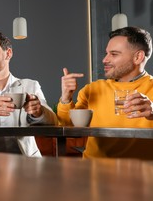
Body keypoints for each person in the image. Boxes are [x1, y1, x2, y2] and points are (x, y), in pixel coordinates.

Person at [58, 26, 153, 159]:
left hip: (142, 174)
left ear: (138, 57)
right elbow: (67, 127)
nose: (105, 60)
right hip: (95, 172)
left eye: (114, 54)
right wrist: (66, 98)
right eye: (106, 53)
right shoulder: (92, 89)